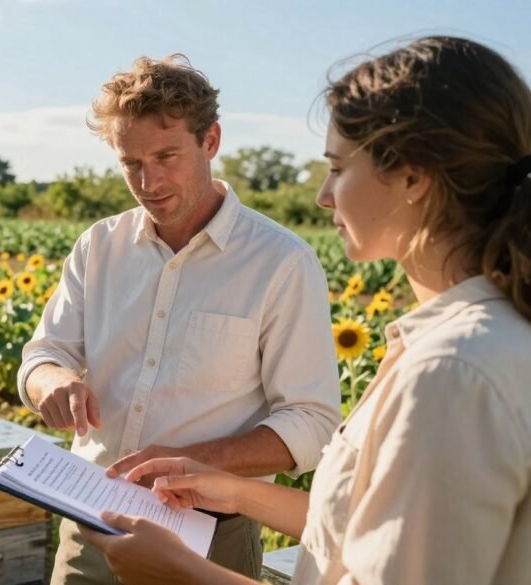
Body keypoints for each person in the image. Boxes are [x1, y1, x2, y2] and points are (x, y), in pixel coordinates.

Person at [78, 36, 531, 585]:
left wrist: (180, 571)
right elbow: (364, 527)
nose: (322, 194)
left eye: (338, 168)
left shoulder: (452, 372)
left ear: (413, 177)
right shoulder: (479, 342)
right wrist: (234, 488)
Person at [17, 54, 342, 583]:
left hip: (209, 537)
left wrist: (189, 462)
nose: (149, 181)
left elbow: (311, 421)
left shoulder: (282, 262)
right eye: (131, 163)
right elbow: (44, 353)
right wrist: (51, 381)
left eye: (166, 155)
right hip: (90, 520)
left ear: (210, 141)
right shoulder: (98, 245)